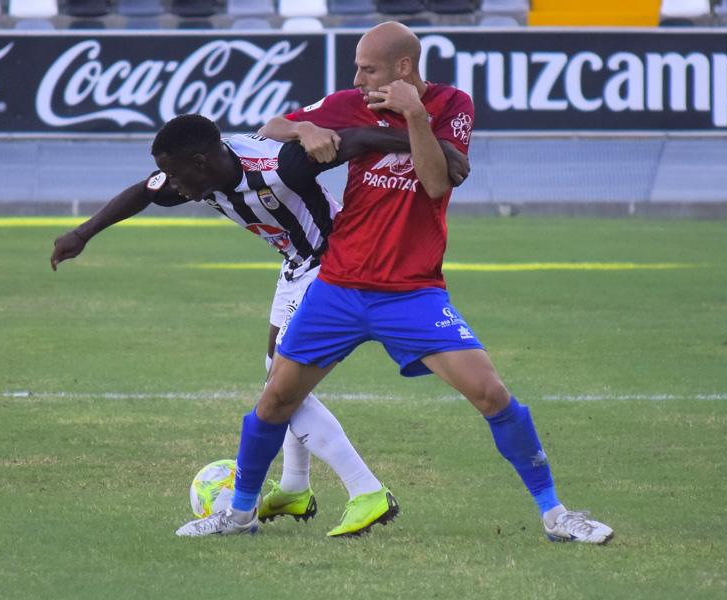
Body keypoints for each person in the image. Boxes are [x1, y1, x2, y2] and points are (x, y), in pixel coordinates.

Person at [175, 22, 614, 544]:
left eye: (368, 68)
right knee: (274, 401)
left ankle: (556, 514)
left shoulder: (452, 105)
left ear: (404, 68)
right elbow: (270, 127)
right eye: (357, 67)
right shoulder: (349, 102)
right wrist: (304, 130)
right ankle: (239, 513)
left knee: (492, 394)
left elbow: (434, 181)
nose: (357, 78)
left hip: (412, 292)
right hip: (337, 286)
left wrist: (414, 114)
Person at [51, 113, 470, 537]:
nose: (171, 184)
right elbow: (144, 192)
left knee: (281, 389)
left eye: (175, 175)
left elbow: (357, 137)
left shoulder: (281, 166)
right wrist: (82, 234)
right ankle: (294, 487)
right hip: (297, 267)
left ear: (199, 162)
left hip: (335, 267)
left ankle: (366, 490)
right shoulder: (197, 176)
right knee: (279, 377)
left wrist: (431, 145)